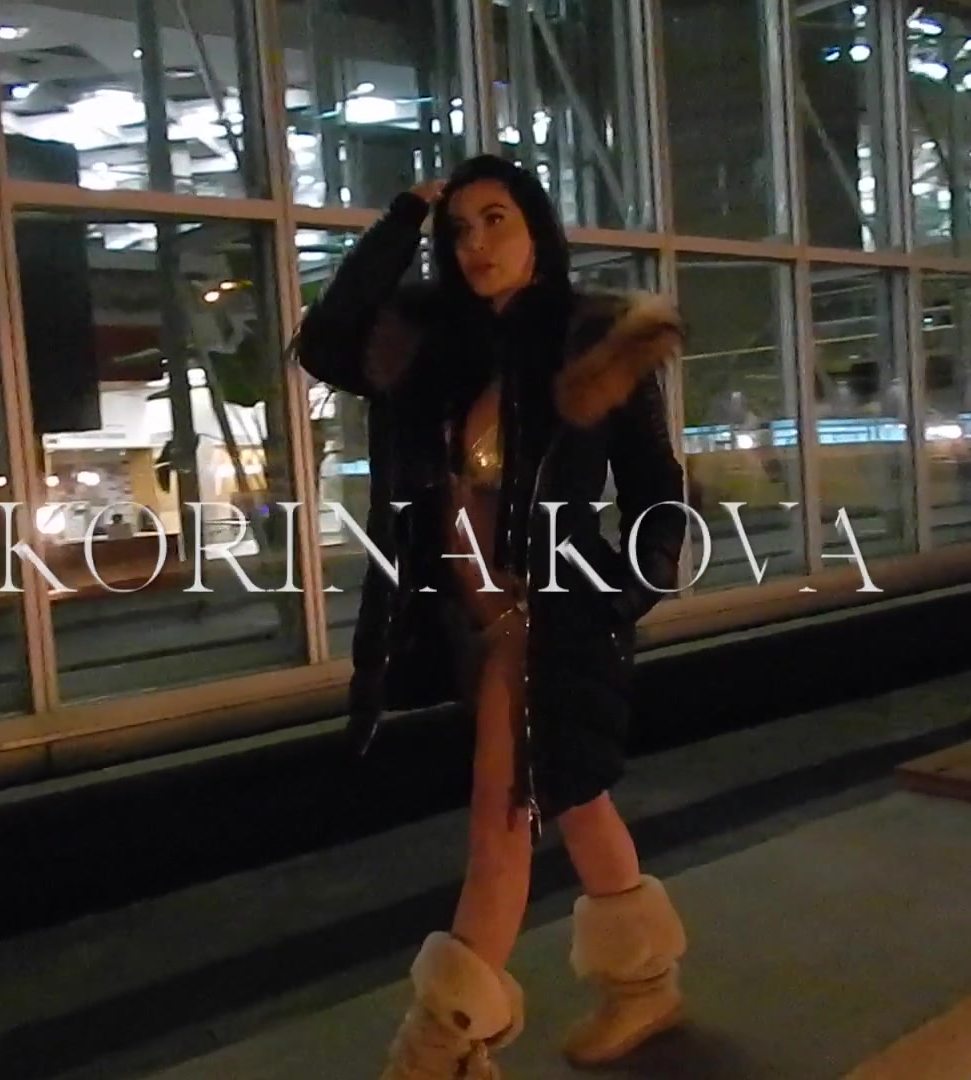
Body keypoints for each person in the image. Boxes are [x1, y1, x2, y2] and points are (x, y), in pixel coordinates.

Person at [292, 154, 691, 1078]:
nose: (476, 243)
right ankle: (643, 983)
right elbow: (327, 341)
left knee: (501, 817)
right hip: (461, 625)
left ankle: (440, 1047)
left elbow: (656, 490)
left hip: (548, 621)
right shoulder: (433, 347)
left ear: (536, 227)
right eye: (460, 228)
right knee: (574, 794)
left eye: (496, 219)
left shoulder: (599, 340)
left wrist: (623, 592)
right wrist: (402, 218)